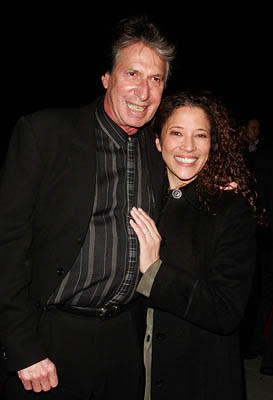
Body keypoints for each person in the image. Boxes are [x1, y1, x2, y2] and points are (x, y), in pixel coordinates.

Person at [0, 15, 175, 399]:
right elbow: (8, 244)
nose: (143, 92)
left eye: (156, 80)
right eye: (132, 74)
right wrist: (21, 346)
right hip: (52, 341)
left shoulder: (158, 153)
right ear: (107, 79)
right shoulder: (46, 134)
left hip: (125, 342)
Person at [130, 91, 266, 399]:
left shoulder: (231, 210)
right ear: (157, 141)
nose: (188, 147)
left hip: (198, 378)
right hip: (127, 371)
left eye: (200, 135)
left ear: (212, 144)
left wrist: (155, 272)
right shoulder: (136, 198)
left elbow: (226, 310)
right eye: (176, 132)